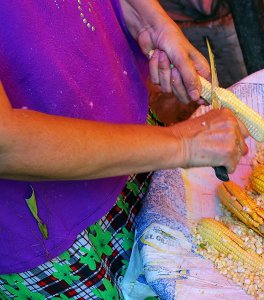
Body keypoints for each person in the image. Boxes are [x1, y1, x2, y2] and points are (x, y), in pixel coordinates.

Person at [0, 0, 248, 298]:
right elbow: (7, 143)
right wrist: (182, 144)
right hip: (49, 225)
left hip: (135, 140)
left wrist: (142, 14)